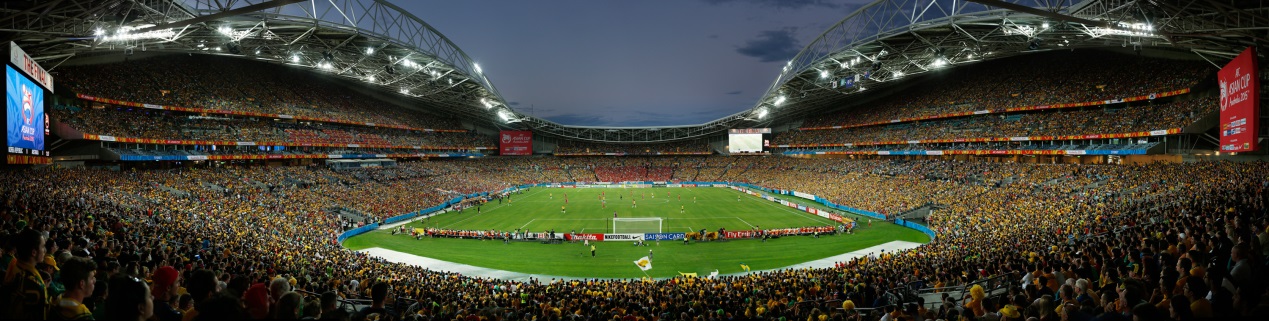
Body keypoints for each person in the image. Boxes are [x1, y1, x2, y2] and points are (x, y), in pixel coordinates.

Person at [1, 229, 50, 320]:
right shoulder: (36, 286)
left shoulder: (13, 265)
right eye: (43, 247)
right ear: (33, 252)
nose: (45, 250)